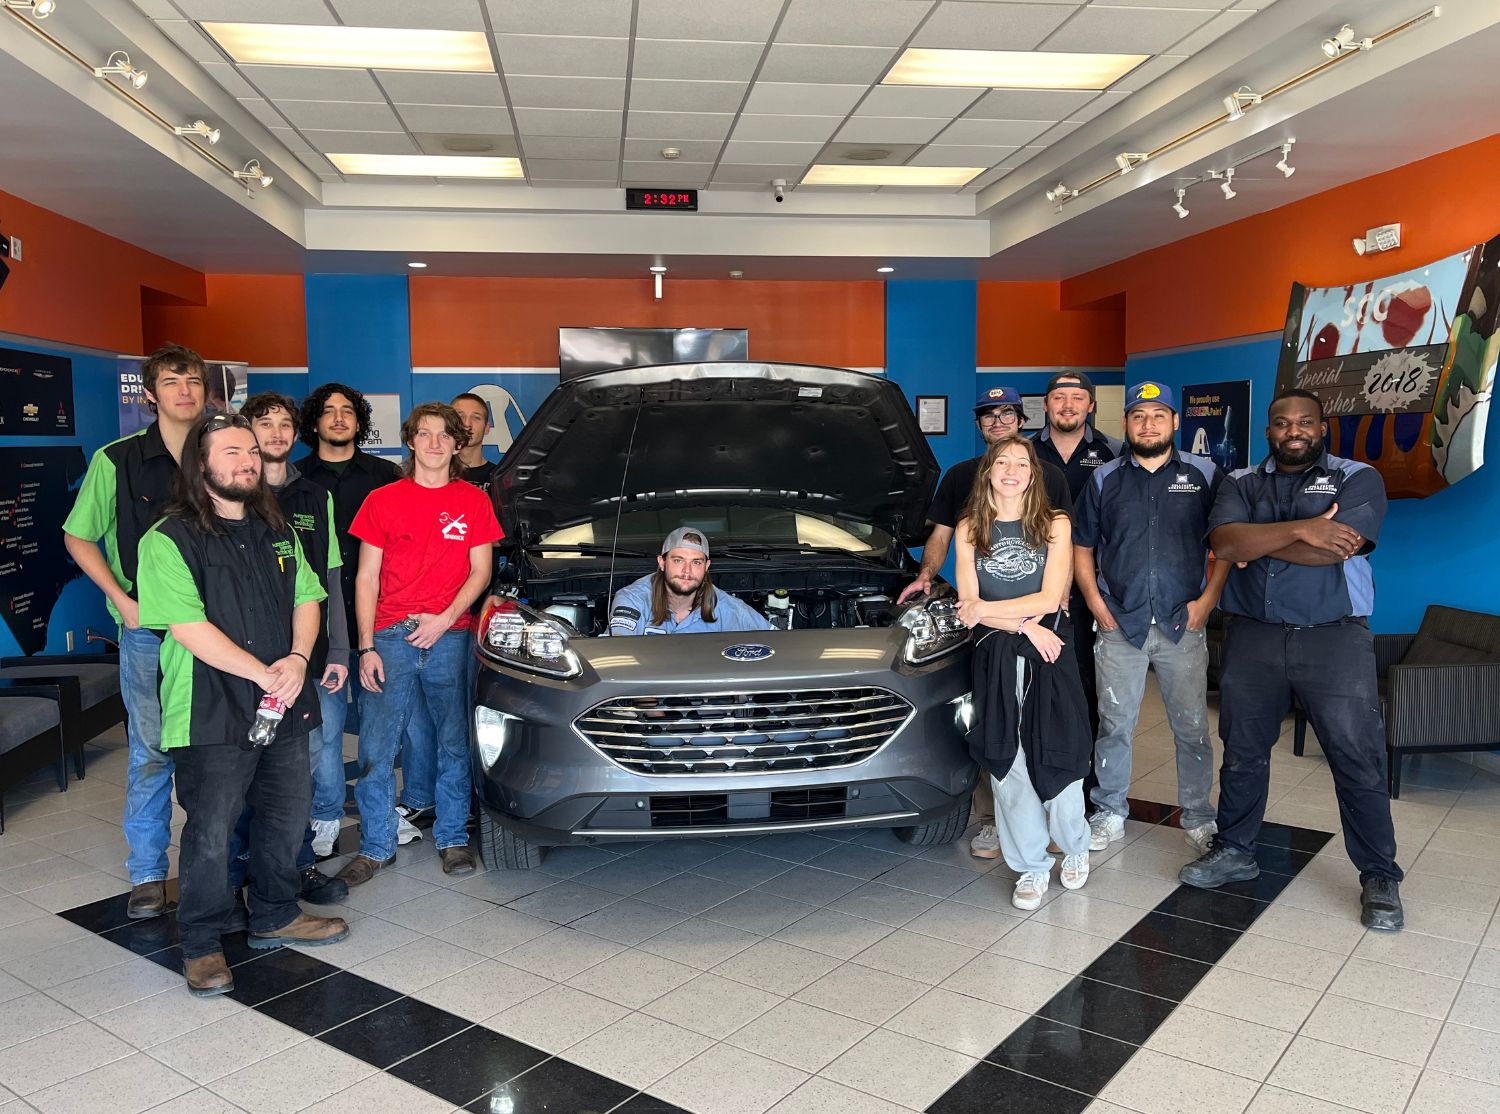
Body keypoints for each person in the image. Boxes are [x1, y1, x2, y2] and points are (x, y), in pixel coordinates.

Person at [135, 413, 349, 996]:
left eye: (251, 451)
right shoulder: (167, 538)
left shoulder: (276, 527)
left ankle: (275, 913)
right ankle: (201, 943)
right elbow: (187, 627)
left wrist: (300, 661)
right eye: (231, 452)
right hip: (210, 706)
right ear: (200, 465)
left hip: (284, 696)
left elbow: (310, 596)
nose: (248, 460)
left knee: (284, 814)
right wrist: (264, 673)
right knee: (210, 827)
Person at [1181, 389, 1404, 931]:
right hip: (1253, 637)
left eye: (1305, 422)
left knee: (1356, 757)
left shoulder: (1358, 477)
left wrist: (1258, 541)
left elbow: (1336, 547)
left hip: (1334, 638)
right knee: (1243, 751)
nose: (1293, 431)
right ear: (1268, 431)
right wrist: (1306, 527)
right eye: (1282, 423)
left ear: (1322, 428)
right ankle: (1235, 849)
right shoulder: (1238, 481)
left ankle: (1379, 874)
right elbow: (1226, 544)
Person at [63, 343, 206, 919]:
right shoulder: (116, 461)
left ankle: (216, 864)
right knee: (151, 753)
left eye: (193, 380)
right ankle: (148, 872)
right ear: (150, 394)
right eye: (172, 381)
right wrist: (120, 599)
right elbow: (78, 536)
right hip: (149, 630)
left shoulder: (222, 454)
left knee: (216, 751)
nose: (185, 390)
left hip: (217, 632)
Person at [899, 386, 1071, 862]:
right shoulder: (960, 476)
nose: (997, 421)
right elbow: (941, 532)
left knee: (1047, 721)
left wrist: (1058, 604)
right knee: (988, 717)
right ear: (979, 425)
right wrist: (927, 576)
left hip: (1042, 619)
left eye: (1006, 413)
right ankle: (995, 820)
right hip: (984, 623)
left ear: (1020, 419)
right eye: (988, 416)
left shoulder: (1049, 476)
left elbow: (1064, 543)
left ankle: (1051, 817)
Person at [338, 403, 501, 884]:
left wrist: (446, 617)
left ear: (457, 443)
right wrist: (365, 646)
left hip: (450, 635)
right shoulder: (382, 500)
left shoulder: (473, 501)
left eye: (443, 435)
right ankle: (375, 845)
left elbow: (481, 571)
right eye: (423, 434)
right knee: (377, 747)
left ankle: (451, 839)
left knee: (454, 742)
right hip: (389, 635)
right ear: (410, 442)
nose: (434, 444)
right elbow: (366, 577)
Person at [1073, 382, 1227, 854]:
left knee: (1192, 728)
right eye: (1139, 416)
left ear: (1176, 422)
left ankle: (1199, 816)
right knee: (1114, 723)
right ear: (1126, 424)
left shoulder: (1205, 473)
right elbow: (1082, 547)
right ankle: (1110, 811)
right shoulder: (1104, 479)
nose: (1148, 424)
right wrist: (1097, 607)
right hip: (1121, 622)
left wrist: (1207, 602)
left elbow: (1226, 541)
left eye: (1159, 416)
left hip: (1185, 623)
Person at [955, 435, 1093, 910]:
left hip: (1049, 651)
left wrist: (1011, 618)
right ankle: (1030, 867)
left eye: (1021, 463)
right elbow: (965, 610)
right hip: (996, 654)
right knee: (1007, 762)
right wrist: (1021, 626)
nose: (1012, 470)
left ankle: (1075, 847)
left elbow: (1050, 598)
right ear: (988, 471)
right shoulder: (971, 528)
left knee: (1057, 751)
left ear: (1033, 474)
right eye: (1002, 462)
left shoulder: (1054, 525)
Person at [228, 394, 351, 897]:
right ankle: (238, 869)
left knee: (297, 764)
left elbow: (330, 578)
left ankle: (298, 862)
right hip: (243, 658)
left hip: (304, 655)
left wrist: (339, 650)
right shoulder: (230, 496)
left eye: (285, 424)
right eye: (265, 424)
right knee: (241, 764)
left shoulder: (315, 496)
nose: (276, 433)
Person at [296, 384, 427, 846]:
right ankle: (326, 813)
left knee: (382, 734)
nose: (337, 419)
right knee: (326, 733)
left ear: (359, 421)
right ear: (313, 422)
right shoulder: (296, 480)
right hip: (319, 626)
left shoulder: (387, 477)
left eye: (346, 411)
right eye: (328, 412)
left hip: (382, 623)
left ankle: (384, 811)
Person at [1031, 372, 1124, 751]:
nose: (1068, 405)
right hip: (1032, 584)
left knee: (1091, 677)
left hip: (1095, 586)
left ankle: (1087, 776)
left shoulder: (1115, 452)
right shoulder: (1022, 455)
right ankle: (1040, 756)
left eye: (1077, 397)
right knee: (1037, 671)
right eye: (1059, 397)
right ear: (1046, 404)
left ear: (1091, 405)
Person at [608, 528, 774, 635]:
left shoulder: (729, 608)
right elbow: (617, 656)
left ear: (706, 566)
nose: (687, 571)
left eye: (696, 562)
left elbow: (776, 644)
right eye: (678, 560)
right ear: (662, 563)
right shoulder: (633, 600)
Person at [452, 392, 497, 493]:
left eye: (476, 417)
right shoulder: (435, 476)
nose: (467, 424)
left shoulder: (498, 478)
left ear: (487, 428)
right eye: (460, 417)